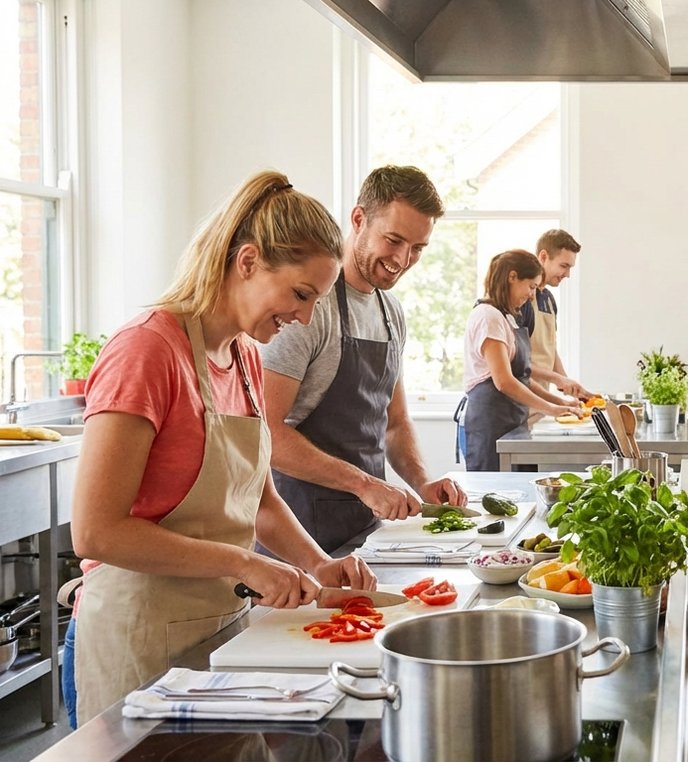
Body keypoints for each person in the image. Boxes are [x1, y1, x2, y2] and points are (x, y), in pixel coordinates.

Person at [69, 171, 376, 724]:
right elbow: (96, 531)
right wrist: (245, 563)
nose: (304, 317)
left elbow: (261, 503)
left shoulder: (245, 357)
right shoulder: (146, 351)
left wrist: (319, 564)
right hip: (139, 636)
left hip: (221, 629)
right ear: (248, 261)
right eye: (301, 294)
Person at [261, 166, 466, 554]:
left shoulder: (391, 312)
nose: (403, 259)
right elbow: (266, 433)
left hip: (364, 532)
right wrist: (364, 484)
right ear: (359, 219)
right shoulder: (308, 307)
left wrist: (423, 483)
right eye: (394, 240)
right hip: (298, 535)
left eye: (417, 248)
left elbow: (395, 422)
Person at [464, 249, 580, 470]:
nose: (532, 295)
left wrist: (560, 403)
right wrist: (551, 409)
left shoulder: (507, 318)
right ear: (512, 277)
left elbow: (522, 377)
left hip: (513, 424)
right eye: (531, 286)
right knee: (494, 489)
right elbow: (504, 382)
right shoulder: (488, 317)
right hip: (490, 426)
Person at [522, 229, 594, 412]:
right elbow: (516, 362)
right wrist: (558, 380)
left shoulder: (548, 299)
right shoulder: (522, 299)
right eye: (564, 266)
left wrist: (570, 386)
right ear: (543, 257)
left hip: (540, 406)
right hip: (521, 403)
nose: (567, 274)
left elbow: (550, 350)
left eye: (570, 268)